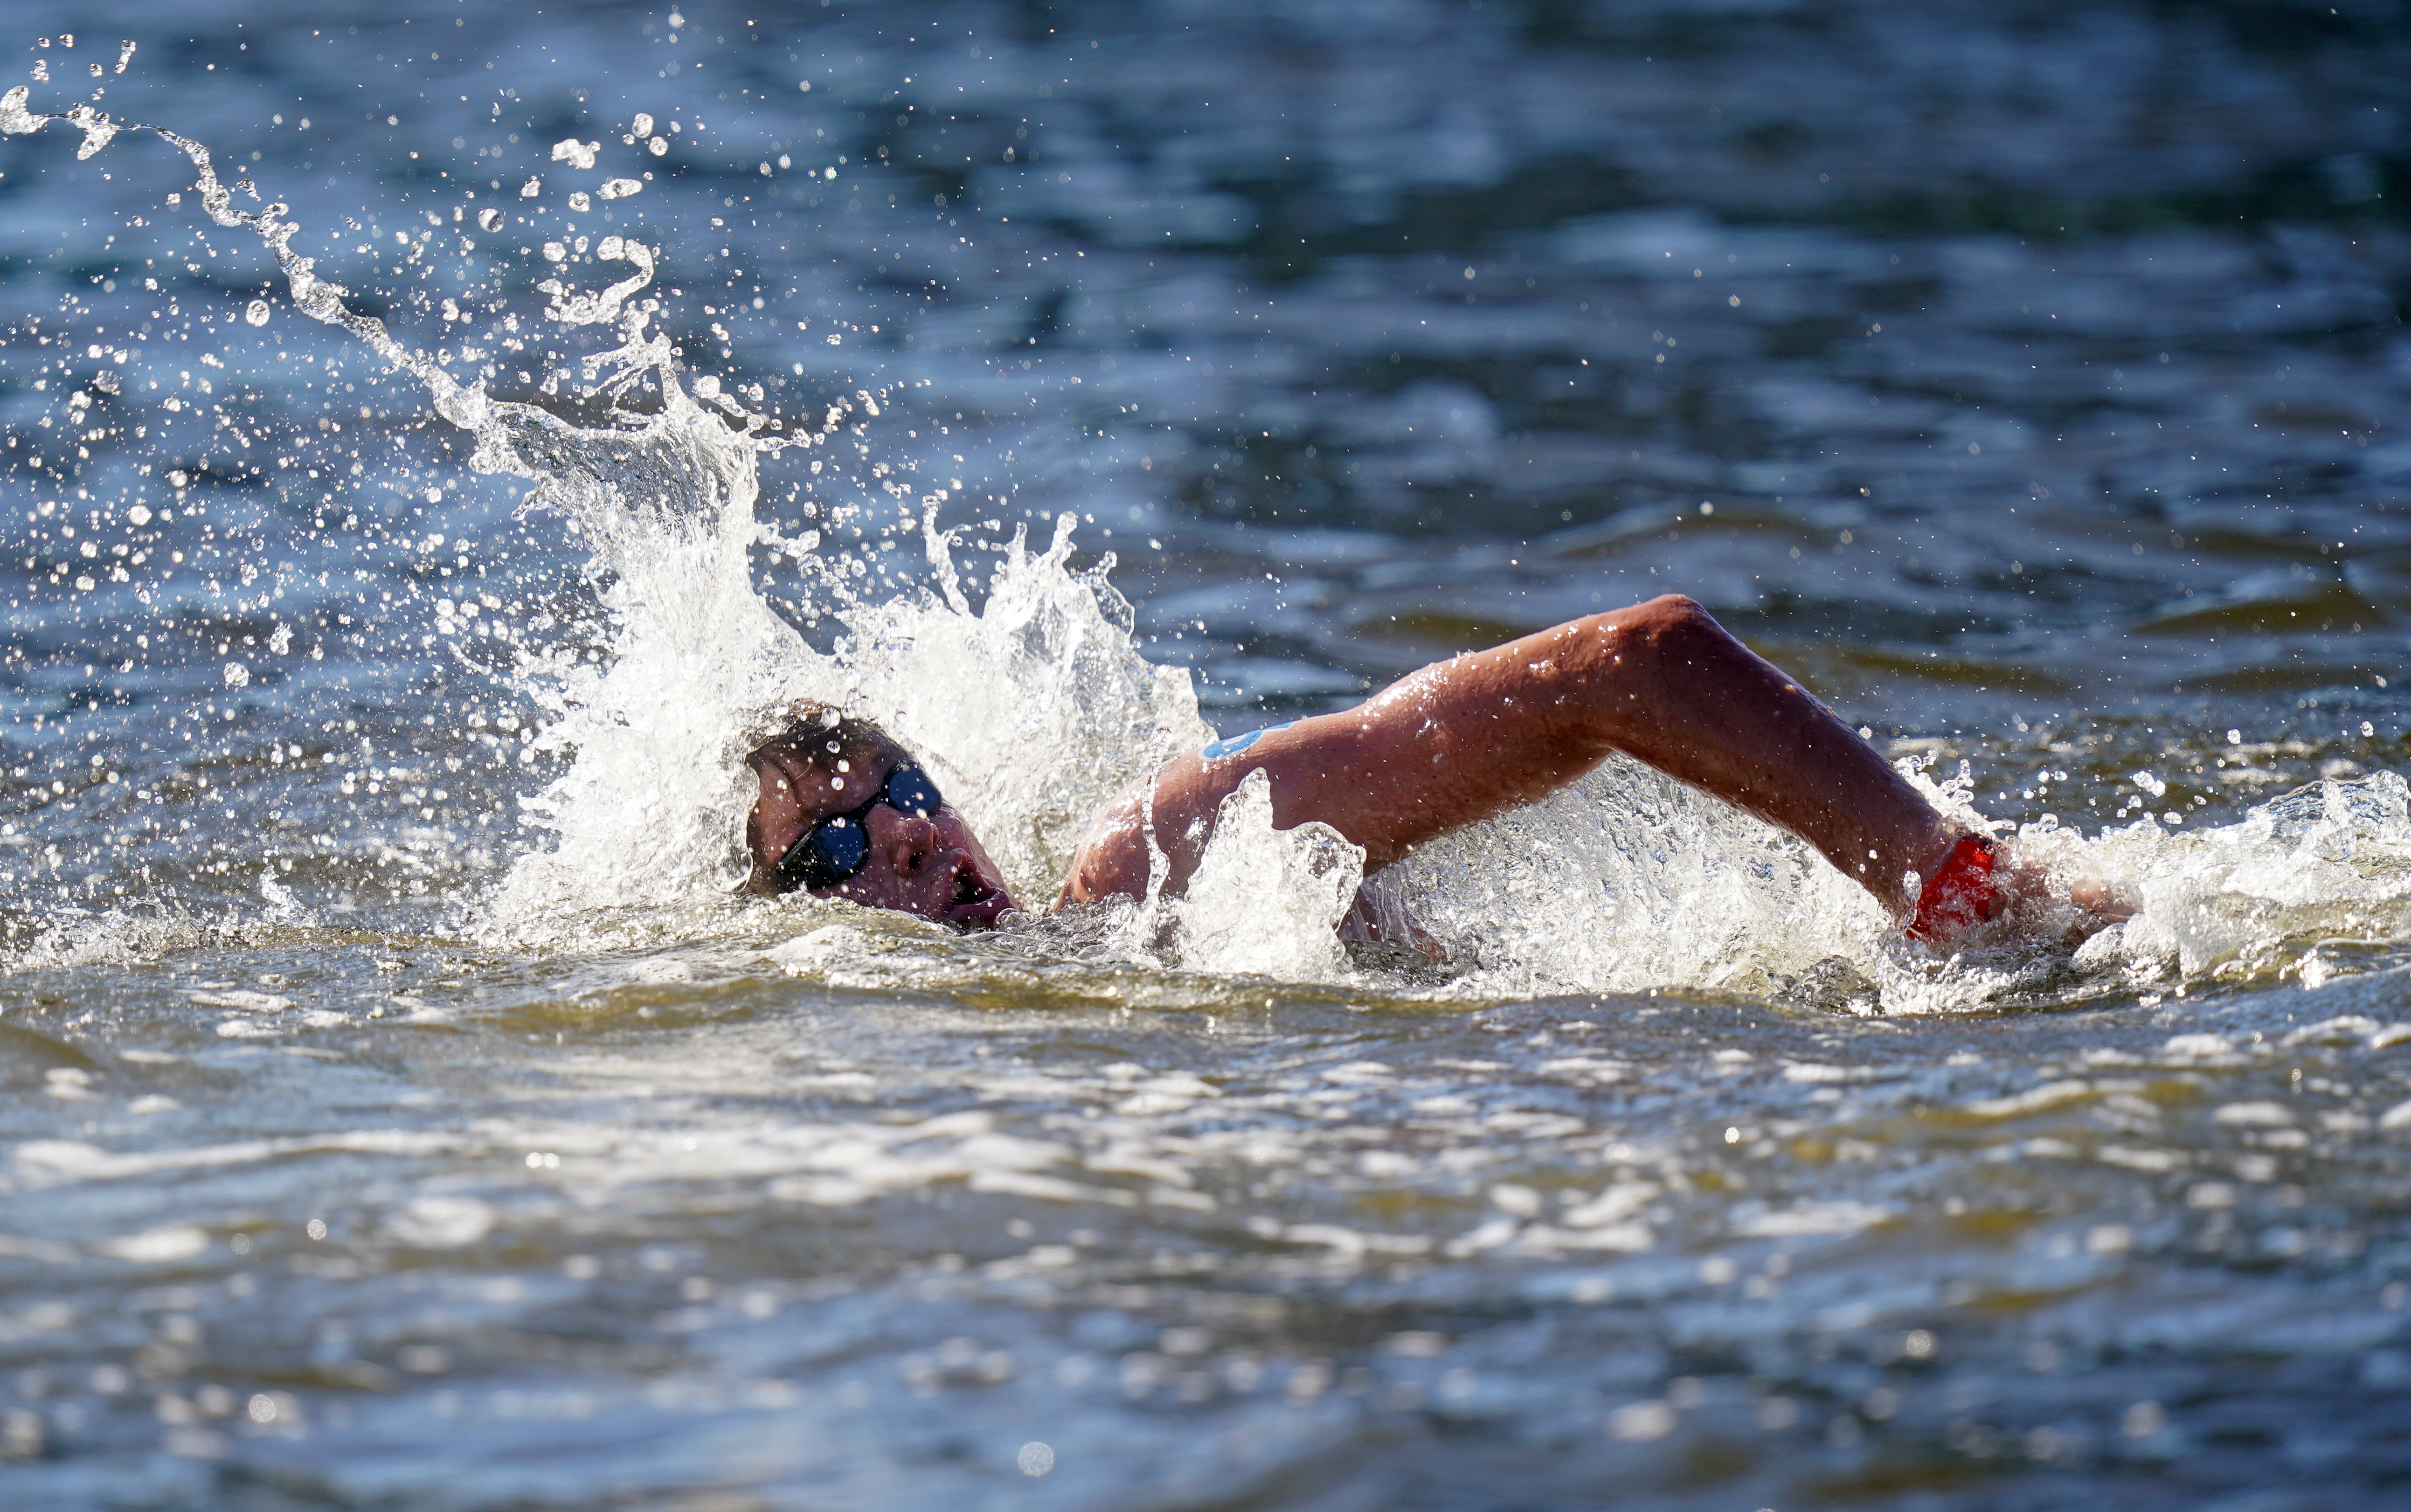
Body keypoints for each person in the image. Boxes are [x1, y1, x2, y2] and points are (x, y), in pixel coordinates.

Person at [741, 594, 2118, 945]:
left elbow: (1630, 660)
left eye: (904, 790)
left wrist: (1953, 892)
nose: (910, 840)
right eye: (843, 848)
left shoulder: (1162, 861)